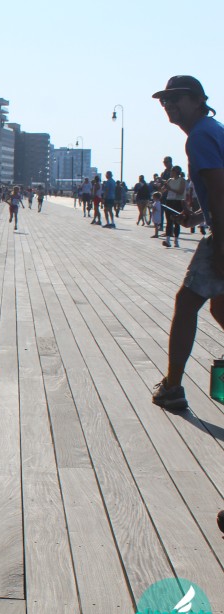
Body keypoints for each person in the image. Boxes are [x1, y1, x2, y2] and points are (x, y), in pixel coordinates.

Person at [150, 76, 224, 413]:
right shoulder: (213, 130)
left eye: (176, 98)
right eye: (165, 100)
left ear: (197, 100)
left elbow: (219, 189)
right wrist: (195, 218)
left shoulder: (199, 137)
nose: (169, 105)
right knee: (219, 307)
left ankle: (172, 387)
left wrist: (220, 246)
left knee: (186, 304)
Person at [163, 165, 187, 248]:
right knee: (169, 221)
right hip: (169, 201)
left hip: (177, 201)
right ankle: (167, 240)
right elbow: (163, 189)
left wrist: (170, 189)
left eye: (172, 171)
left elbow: (181, 191)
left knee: (177, 221)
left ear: (176, 172)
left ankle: (176, 241)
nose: (171, 173)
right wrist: (163, 187)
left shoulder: (182, 180)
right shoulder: (169, 180)